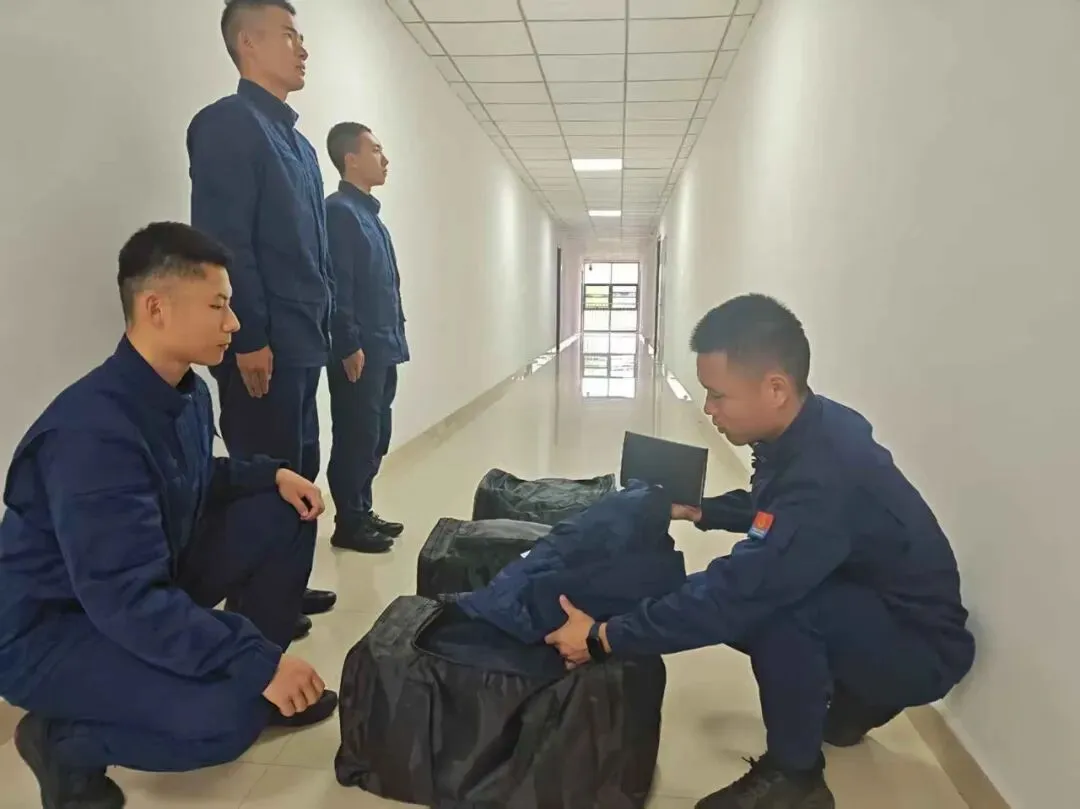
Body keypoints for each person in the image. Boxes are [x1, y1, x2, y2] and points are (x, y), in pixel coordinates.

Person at [545, 294, 976, 809]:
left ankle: (796, 779)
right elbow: (780, 509)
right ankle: (855, 702)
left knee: (769, 608)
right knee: (761, 598)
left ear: (775, 388)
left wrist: (604, 638)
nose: (708, 409)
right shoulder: (810, 428)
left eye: (717, 395)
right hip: (877, 606)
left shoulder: (826, 475)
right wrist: (703, 511)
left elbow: (739, 591)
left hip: (920, 648)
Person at [0, 223, 337, 809]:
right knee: (226, 718)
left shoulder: (185, 391)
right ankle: (61, 743)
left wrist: (271, 475)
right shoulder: (92, 434)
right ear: (156, 308)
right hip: (55, 632)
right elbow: (125, 599)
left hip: (134, 586)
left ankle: (263, 686)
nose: (234, 323)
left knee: (282, 512)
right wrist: (252, 660)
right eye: (218, 305)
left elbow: (192, 477)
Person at [187, 0, 335, 638]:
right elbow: (225, 242)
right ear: (248, 43)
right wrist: (247, 335)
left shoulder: (299, 145)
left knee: (302, 466)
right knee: (266, 474)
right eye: (290, 36)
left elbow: (313, 253)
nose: (303, 49)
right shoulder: (227, 125)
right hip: (263, 342)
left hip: (302, 339)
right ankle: (256, 612)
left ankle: (284, 589)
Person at [323, 122, 409, 552]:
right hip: (359, 350)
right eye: (375, 150)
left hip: (383, 346)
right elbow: (338, 284)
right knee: (356, 436)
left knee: (376, 434)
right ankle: (349, 523)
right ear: (350, 159)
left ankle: (362, 508)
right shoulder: (339, 212)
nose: (385, 159)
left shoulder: (369, 216)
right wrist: (348, 343)